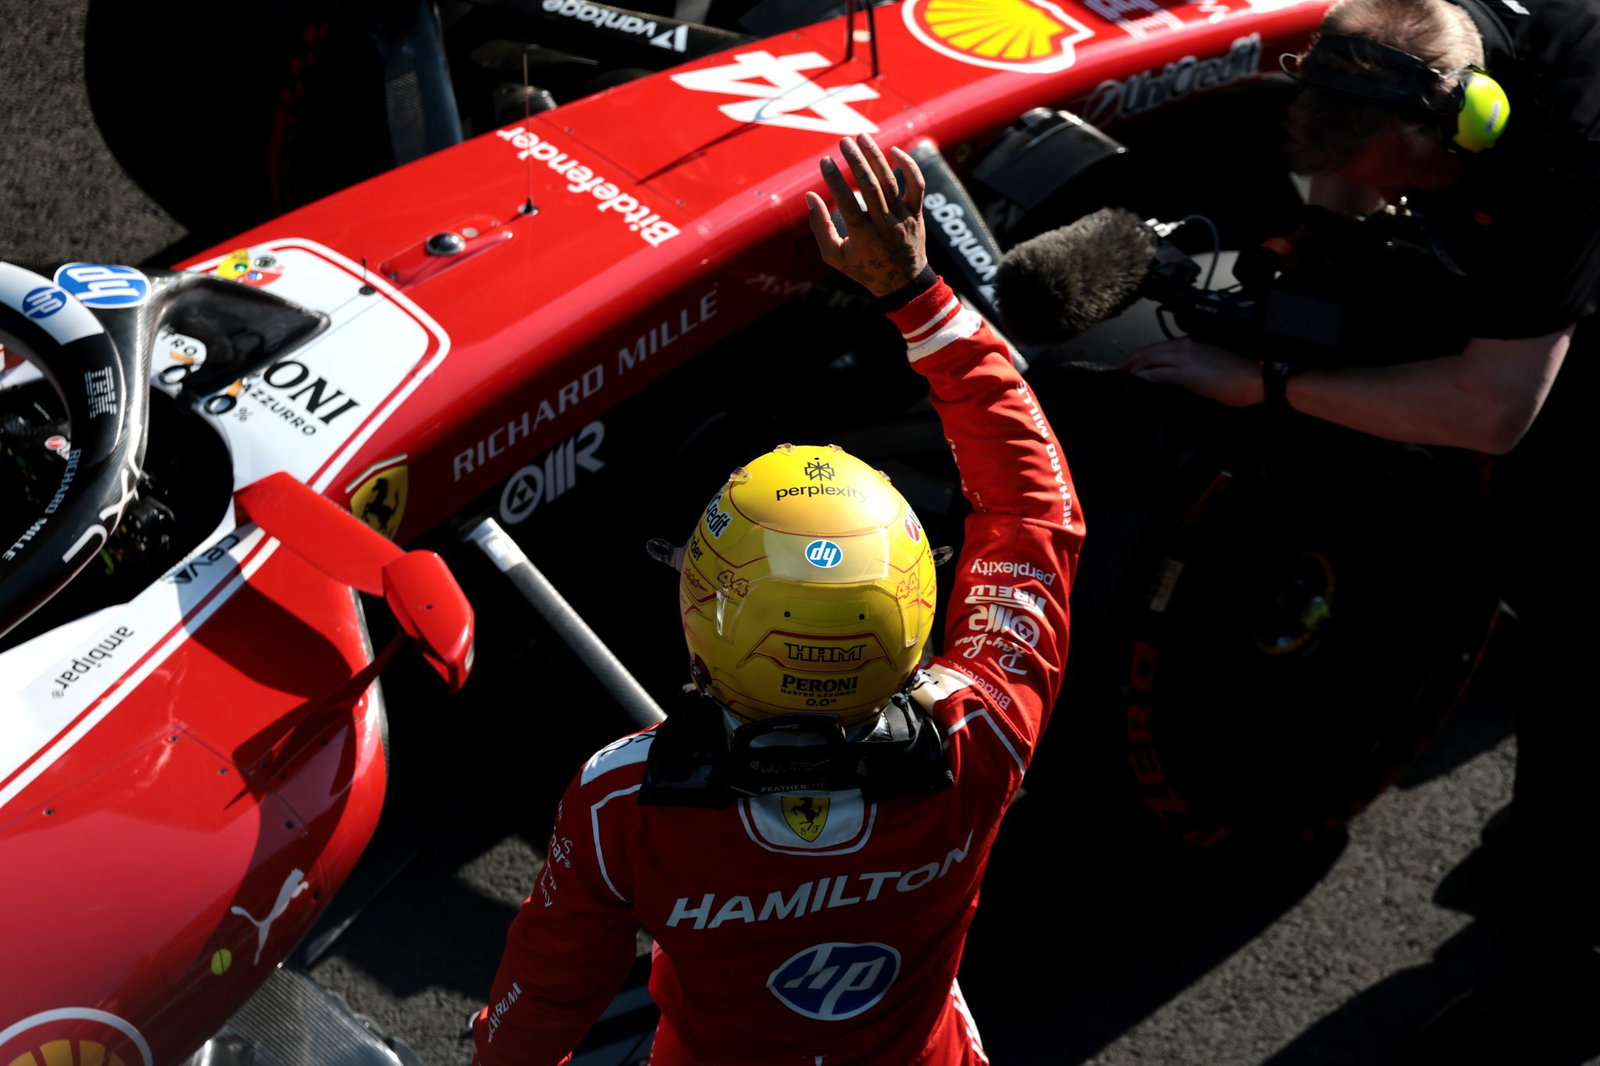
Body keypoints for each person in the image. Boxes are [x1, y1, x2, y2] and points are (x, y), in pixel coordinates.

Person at [470, 132, 1084, 1066]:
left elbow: (543, 1001)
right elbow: (1035, 510)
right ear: (919, 610)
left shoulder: (623, 801)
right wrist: (919, 297)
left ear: (701, 615)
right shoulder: (986, 732)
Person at [1119, 0, 1600, 1057]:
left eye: (1398, 179)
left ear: (1468, 129)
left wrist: (1263, 383)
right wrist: (1321, 237)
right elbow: (1351, 158)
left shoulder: (1565, 148)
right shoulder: (1395, 38)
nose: (1383, 194)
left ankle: (1564, 982)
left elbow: (1492, 409)